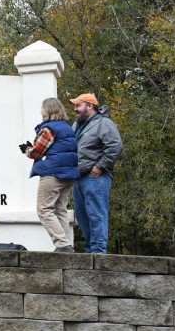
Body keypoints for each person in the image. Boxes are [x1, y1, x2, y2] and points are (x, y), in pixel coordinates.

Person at [20, 97, 80, 252]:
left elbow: (36, 152)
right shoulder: (67, 128)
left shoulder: (48, 129)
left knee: (44, 209)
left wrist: (27, 149)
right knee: (60, 209)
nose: (40, 110)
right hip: (69, 174)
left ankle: (62, 244)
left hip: (53, 173)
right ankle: (67, 245)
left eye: (42, 107)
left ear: (48, 110)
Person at [69, 93, 123, 254]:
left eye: (78, 105)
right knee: (82, 216)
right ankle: (90, 251)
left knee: (96, 213)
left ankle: (98, 251)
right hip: (78, 177)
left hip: (96, 177)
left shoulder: (104, 123)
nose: (75, 109)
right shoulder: (76, 125)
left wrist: (100, 167)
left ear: (90, 106)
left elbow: (115, 146)